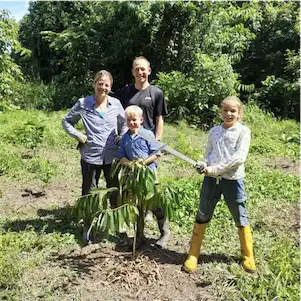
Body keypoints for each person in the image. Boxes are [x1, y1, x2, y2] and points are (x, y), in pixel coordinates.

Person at [183, 96, 256, 273]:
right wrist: (203, 163)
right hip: (211, 181)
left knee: (240, 214)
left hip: (232, 180)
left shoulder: (243, 131)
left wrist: (215, 169)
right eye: (225, 110)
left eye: (233, 111)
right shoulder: (214, 131)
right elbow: (209, 153)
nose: (229, 114)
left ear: (239, 114)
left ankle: (248, 257)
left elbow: (239, 158)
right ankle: (193, 254)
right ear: (220, 111)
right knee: (203, 213)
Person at [62, 70, 127, 201]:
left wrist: (121, 138)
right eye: (100, 84)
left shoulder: (116, 104)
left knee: (113, 189)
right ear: (94, 84)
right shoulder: (83, 103)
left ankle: (113, 217)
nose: (103, 88)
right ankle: (89, 219)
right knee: (89, 191)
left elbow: (124, 123)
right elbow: (66, 121)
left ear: (110, 87)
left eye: (106, 85)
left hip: (112, 155)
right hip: (90, 155)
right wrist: (78, 135)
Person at [116, 105, 170, 249]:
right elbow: (121, 156)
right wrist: (130, 163)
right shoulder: (125, 137)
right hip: (133, 176)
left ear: (141, 120)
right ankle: (139, 236)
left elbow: (155, 154)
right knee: (138, 205)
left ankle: (164, 233)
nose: (132, 123)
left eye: (134, 120)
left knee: (155, 204)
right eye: (129, 120)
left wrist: (142, 163)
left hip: (149, 175)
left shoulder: (147, 135)